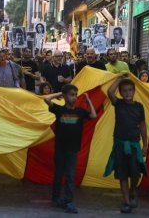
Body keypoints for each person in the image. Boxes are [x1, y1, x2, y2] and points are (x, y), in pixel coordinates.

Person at [44, 84, 96, 213]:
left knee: (70, 176)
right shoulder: (59, 110)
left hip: (72, 150)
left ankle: (69, 201)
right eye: (71, 95)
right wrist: (58, 94)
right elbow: (46, 99)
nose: (74, 97)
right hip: (60, 149)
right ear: (65, 96)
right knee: (58, 174)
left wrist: (88, 101)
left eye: (75, 95)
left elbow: (93, 115)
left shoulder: (80, 111)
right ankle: (55, 198)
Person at [104, 76, 148, 213]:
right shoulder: (119, 104)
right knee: (122, 174)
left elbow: (142, 126)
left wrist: (145, 145)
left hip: (134, 144)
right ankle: (127, 202)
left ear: (134, 91)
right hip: (120, 145)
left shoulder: (139, 107)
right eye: (124, 91)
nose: (128, 93)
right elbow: (110, 92)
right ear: (121, 93)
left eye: (130, 90)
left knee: (136, 173)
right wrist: (119, 79)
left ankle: (132, 190)